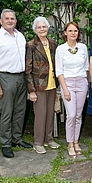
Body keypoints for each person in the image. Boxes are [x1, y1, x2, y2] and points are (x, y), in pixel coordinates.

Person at [0, 9, 33, 158]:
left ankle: (16, 139)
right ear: (1, 21)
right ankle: (5, 143)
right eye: (7, 18)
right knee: (6, 112)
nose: (10, 21)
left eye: (12, 18)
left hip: (21, 77)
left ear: (16, 21)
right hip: (5, 77)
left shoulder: (20, 36)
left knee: (20, 110)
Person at [25, 16, 60, 154]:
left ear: (48, 28)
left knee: (50, 113)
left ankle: (49, 139)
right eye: (39, 27)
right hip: (38, 85)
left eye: (44, 27)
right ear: (35, 29)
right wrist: (31, 90)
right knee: (40, 114)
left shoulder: (52, 43)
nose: (42, 29)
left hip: (52, 83)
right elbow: (28, 69)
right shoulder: (31, 45)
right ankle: (38, 142)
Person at [55, 22, 89, 158]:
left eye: (75, 31)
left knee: (79, 115)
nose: (73, 33)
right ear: (65, 33)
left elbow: (86, 66)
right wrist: (65, 89)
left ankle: (76, 141)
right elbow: (59, 71)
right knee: (71, 114)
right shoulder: (60, 49)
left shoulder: (83, 48)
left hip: (81, 82)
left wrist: (84, 81)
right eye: (70, 31)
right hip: (67, 83)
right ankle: (69, 143)